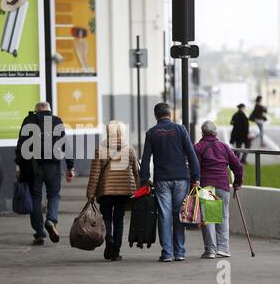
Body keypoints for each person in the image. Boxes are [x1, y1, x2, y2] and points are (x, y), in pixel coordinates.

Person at [140, 103, 200, 263]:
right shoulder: (180, 130)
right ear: (170, 114)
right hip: (181, 178)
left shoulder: (151, 133)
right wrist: (196, 176)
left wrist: (144, 180)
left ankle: (167, 253)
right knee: (179, 215)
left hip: (162, 181)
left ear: (156, 115)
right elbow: (191, 154)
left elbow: (145, 159)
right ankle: (179, 252)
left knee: (164, 216)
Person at [15, 102, 75, 246]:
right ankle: (51, 220)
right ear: (49, 110)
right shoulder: (56, 121)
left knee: (35, 199)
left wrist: (18, 167)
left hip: (33, 166)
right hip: (53, 165)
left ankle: (39, 233)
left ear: (36, 111)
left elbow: (21, 145)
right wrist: (70, 167)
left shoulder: (28, 121)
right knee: (53, 195)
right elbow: (65, 144)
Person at [86, 121, 140, 261]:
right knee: (119, 219)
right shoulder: (128, 148)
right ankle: (116, 251)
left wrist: (91, 194)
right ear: (122, 132)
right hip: (124, 190)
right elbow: (136, 172)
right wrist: (139, 191)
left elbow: (95, 173)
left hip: (106, 190)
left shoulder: (100, 149)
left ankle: (108, 238)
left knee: (107, 217)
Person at [194, 121, 243, 259]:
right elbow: (238, 166)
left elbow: (195, 168)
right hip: (223, 185)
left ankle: (210, 250)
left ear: (202, 133)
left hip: (207, 186)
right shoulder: (224, 147)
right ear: (215, 133)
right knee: (223, 217)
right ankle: (223, 249)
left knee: (209, 218)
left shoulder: (198, 147)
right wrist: (237, 183)